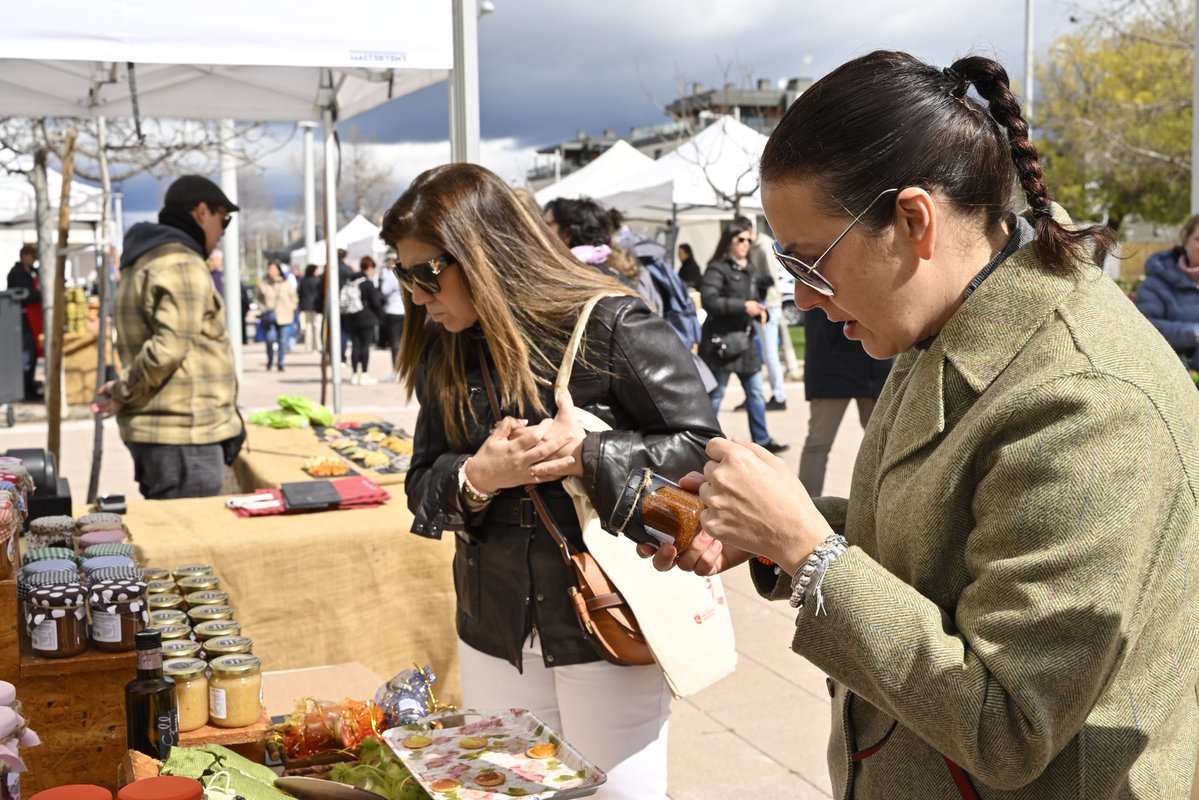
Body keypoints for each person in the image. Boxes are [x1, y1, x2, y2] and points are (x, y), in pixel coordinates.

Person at [652, 51, 1199, 798]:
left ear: (914, 220)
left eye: (811, 265)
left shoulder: (1086, 401)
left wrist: (805, 546)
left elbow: (1007, 725)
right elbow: (945, 544)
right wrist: (770, 531)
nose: (804, 301)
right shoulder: (953, 313)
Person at [383, 163, 720, 800]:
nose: (415, 295)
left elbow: (705, 448)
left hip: (605, 620)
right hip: (493, 628)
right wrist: (477, 477)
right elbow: (423, 483)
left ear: (484, 252)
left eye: (425, 273)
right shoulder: (447, 350)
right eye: (402, 274)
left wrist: (589, 453)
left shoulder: (611, 324)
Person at [93, 175, 243, 500]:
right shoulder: (180, 262)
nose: (222, 231)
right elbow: (167, 349)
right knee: (194, 546)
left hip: (168, 435)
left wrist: (124, 390)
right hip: (184, 437)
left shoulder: (146, 258)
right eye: (224, 219)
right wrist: (122, 389)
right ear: (202, 212)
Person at [698, 220, 789, 454]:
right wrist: (743, 306)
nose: (746, 244)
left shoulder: (749, 268)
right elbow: (710, 301)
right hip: (722, 341)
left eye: (749, 240)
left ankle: (763, 439)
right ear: (729, 241)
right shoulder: (717, 268)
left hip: (745, 340)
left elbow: (753, 299)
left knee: (756, 392)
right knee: (716, 394)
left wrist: (760, 310)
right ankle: (702, 441)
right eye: (741, 239)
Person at [798, 308, 891, 495]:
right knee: (819, 443)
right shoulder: (819, 286)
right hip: (834, 368)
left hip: (869, 369)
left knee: (884, 445)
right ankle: (806, 504)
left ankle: (882, 502)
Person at [542, 197, 662, 312]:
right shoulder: (608, 275)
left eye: (547, 224)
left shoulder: (578, 283)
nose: (540, 231)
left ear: (567, 234)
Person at [733, 214, 788, 411]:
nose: (742, 242)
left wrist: (756, 291)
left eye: (743, 237)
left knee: (770, 353)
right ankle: (753, 395)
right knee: (756, 352)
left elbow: (772, 279)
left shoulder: (764, 247)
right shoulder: (749, 248)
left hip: (768, 305)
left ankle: (779, 396)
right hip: (755, 305)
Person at [1134, 213, 1199, 372]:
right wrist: (1194, 333)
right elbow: (1144, 327)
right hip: (1176, 375)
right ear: (1185, 241)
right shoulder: (1157, 282)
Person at [7, 244, 42, 400]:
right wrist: (41, 294)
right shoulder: (18, 273)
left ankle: (28, 386)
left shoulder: (28, 271)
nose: (34, 260)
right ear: (25, 255)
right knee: (27, 355)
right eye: (33, 257)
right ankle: (25, 390)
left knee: (31, 354)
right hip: (23, 319)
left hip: (28, 318)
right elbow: (27, 295)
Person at [344, 255, 384, 385]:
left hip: (352, 317)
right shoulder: (367, 283)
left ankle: (355, 374)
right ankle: (365, 374)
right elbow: (376, 303)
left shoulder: (351, 280)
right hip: (367, 318)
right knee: (365, 346)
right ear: (369, 267)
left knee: (355, 345)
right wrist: (380, 316)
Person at [255, 261, 298, 372]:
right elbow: (258, 298)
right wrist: (262, 308)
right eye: (270, 269)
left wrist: (292, 307)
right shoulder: (264, 283)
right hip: (269, 315)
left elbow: (293, 297)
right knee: (270, 339)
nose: (272, 271)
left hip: (284, 315)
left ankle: (281, 362)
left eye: (274, 269)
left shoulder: (286, 283)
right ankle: (270, 360)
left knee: (283, 340)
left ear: (279, 270)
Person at [377, 251, 405, 382]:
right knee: (404, 341)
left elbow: (384, 291)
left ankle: (397, 370)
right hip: (405, 310)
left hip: (393, 310)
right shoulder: (406, 270)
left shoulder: (391, 274)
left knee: (395, 342)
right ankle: (405, 369)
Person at [298, 264, 322, 353]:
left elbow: (300, 293)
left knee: (308, 326)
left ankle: (308, 347)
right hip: (316, 307)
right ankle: (318, 346)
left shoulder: (303, 281)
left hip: (305, 306)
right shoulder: (318, 281)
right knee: (317, 326)